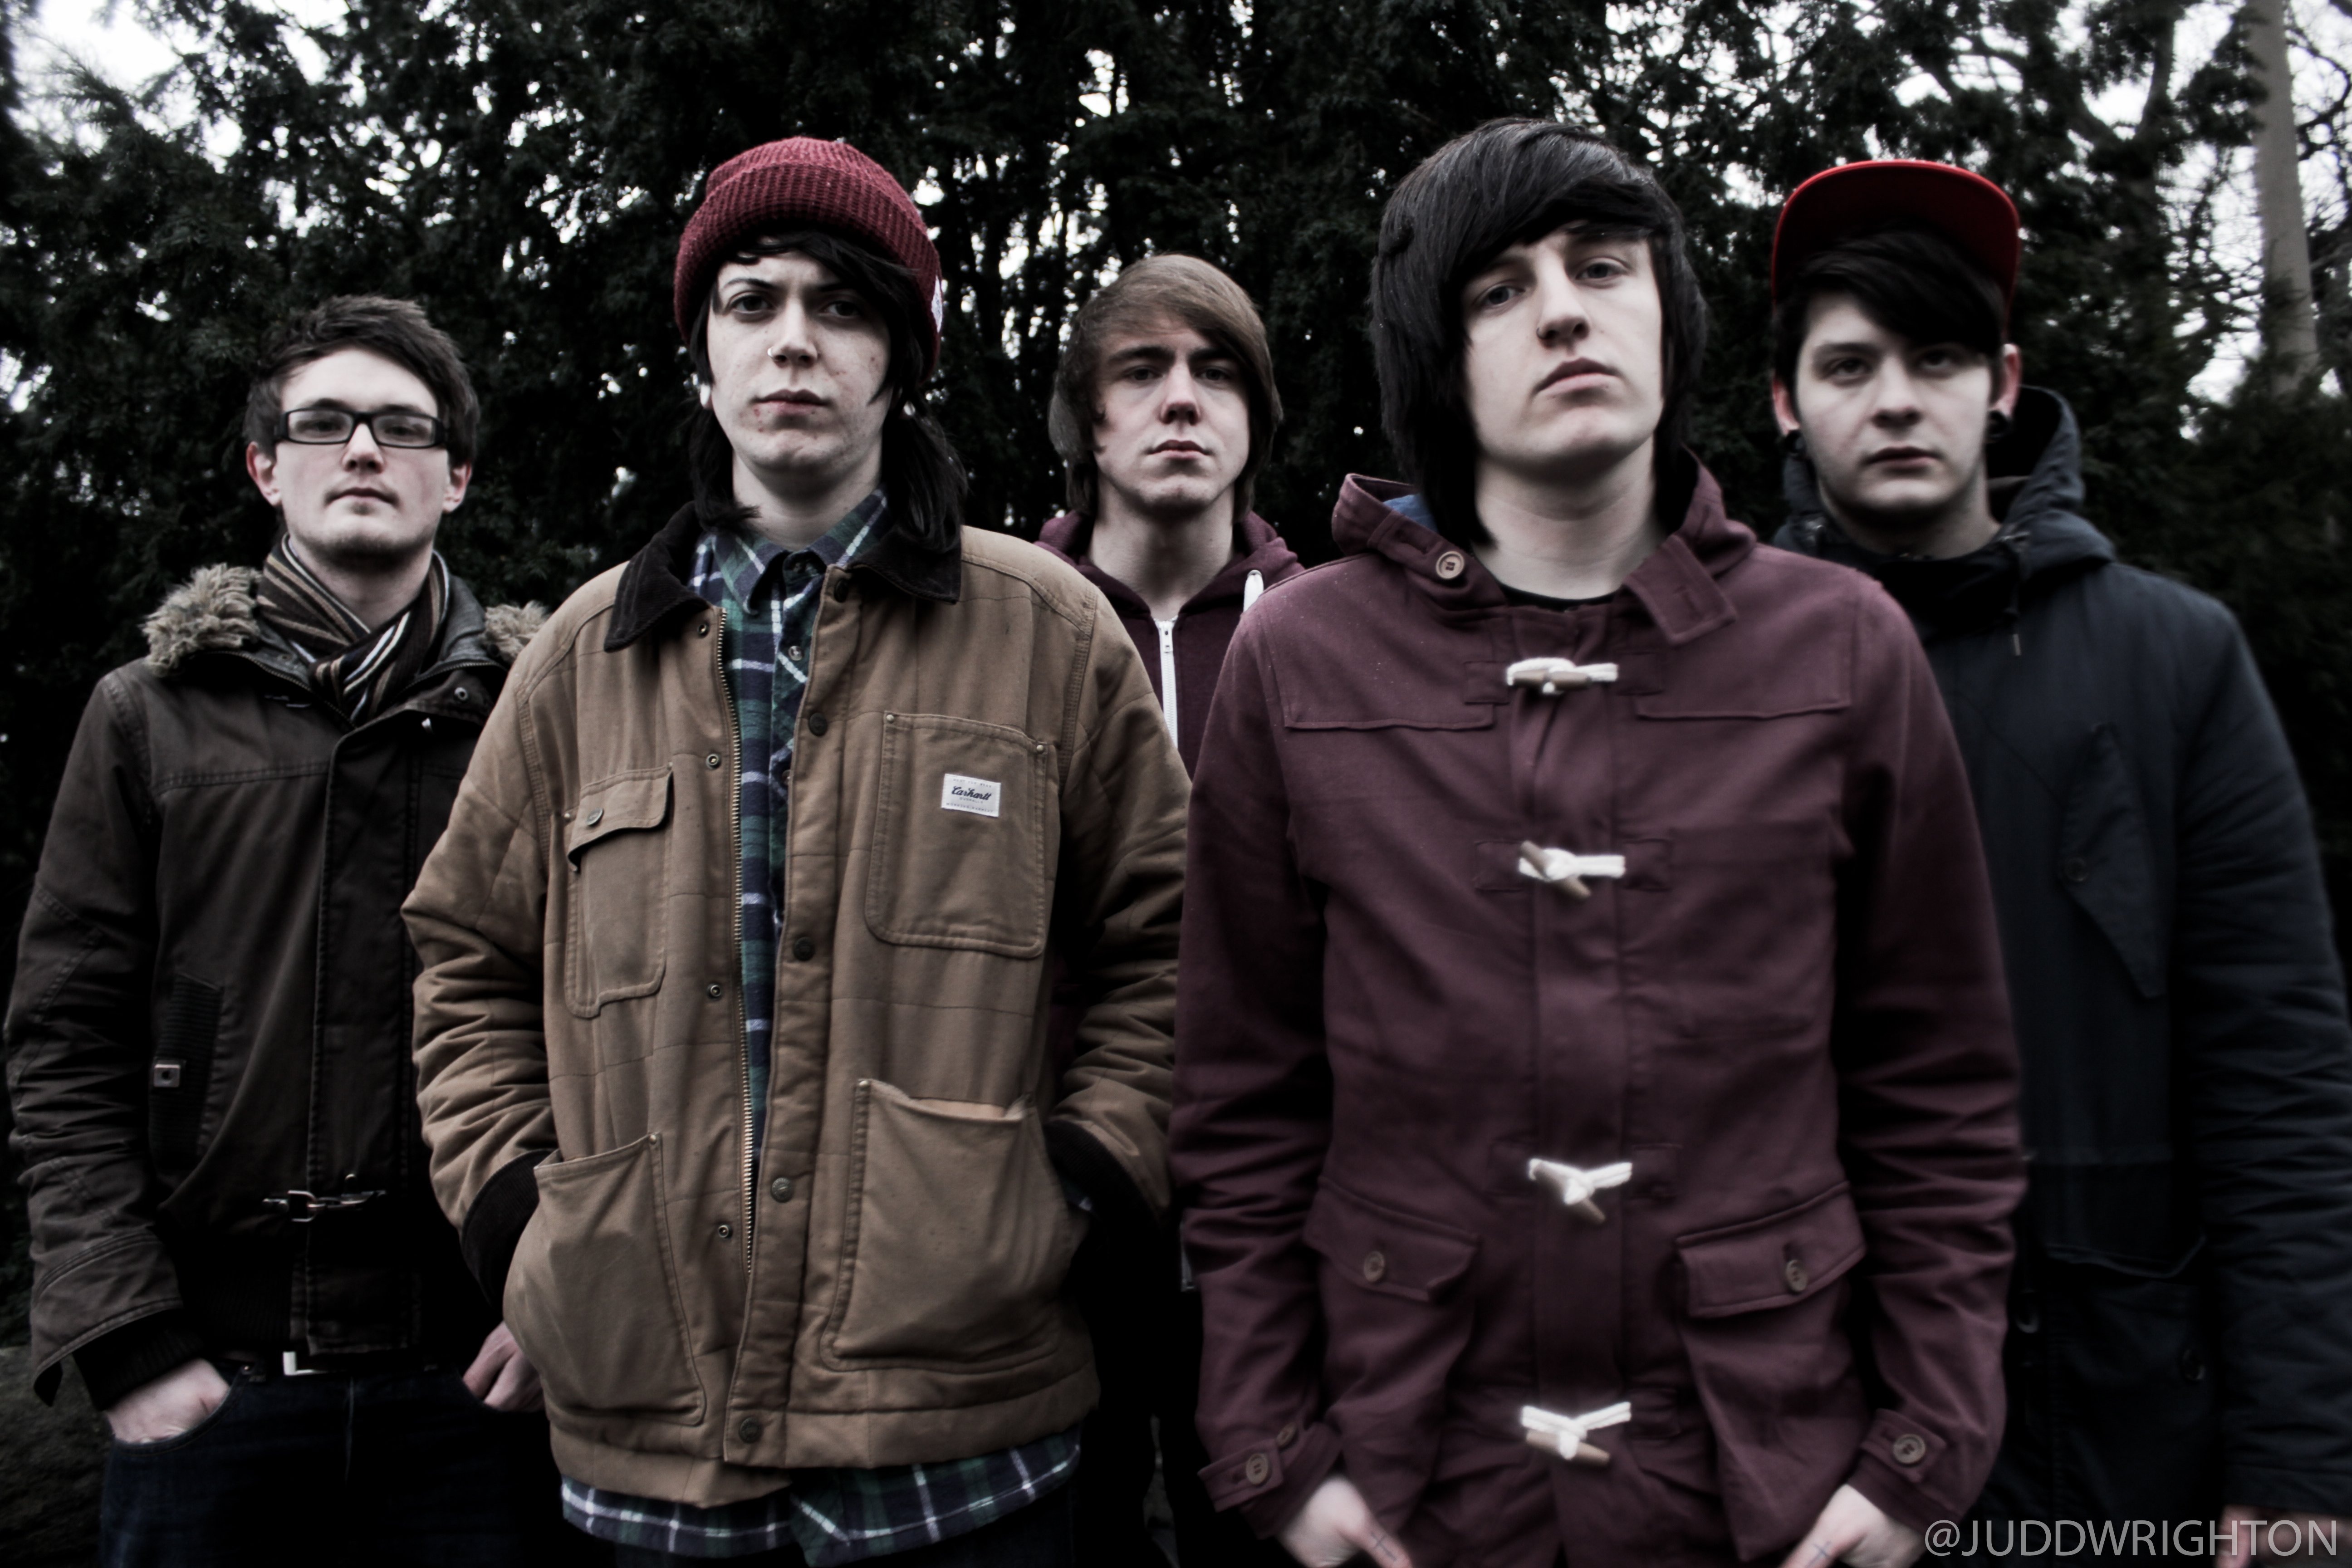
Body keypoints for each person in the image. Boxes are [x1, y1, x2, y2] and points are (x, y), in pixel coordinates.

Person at [1170, 118, 2025, 1568]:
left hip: (1767, 1484)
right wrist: (1274, 1453)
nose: (1563, 310)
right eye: (1500, 288)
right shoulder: (1299, 661)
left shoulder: (1846, 648)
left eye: (1602, 267)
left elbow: (1939, 1094)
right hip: (1414, 1484)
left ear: (1669, 314)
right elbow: (1242, 1098)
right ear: (1436, 356)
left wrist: (1919, 1456)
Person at [402, 137, 1190, 1567]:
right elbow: (467, 963)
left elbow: (1172, 945)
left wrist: (1076, 1184)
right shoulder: (579, 660)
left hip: (967, 1450)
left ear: (902, 357)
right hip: (654, 1453)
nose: (794, 342)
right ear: (702, 352)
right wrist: (522, 1219)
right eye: (752, 302)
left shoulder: (1049, 631)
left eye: (842, 305)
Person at [1768, 160, 2352, 1563]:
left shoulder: (2176, 658)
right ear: (1785, 401)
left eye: (1939, 357)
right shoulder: (1722, 676)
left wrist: (2299, 1464)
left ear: (2005, 381)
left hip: (2120, 1437)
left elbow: (2276, 1074)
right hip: (1806, 1438)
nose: (1897, 399)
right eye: (1849, 365)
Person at [5, 295, 562, 1563]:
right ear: (267, 467)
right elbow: (65, 1040)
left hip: (485, 1389)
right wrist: (126, 1338)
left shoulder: (543, 714)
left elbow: (619, 1027)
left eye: (403, 427)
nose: (363, 449)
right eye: (324, 424)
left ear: (456, 478)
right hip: (216, 1392)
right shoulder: (147, 716)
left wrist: (565, 1294)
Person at [1035, 253, 1302, 1566]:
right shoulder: (996, 631)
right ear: (1087, 422)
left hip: (1278, 1243)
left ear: (1256, 418)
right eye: (1142, 372)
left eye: (1217, 373)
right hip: (1047, 1230)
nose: (1182, 401)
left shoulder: (1328, 633)